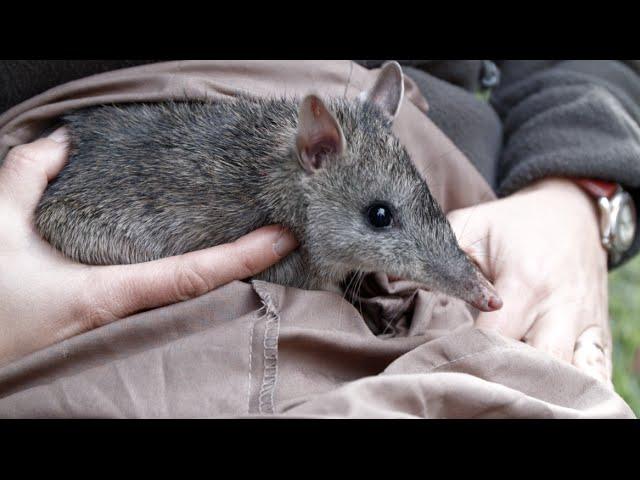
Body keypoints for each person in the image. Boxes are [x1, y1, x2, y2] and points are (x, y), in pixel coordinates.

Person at [0, 60, 638, 414]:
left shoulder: (349, 160)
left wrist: (579, 194)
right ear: (315, 152)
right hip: (54, 281)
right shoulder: (282, 188)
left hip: (477, 192)